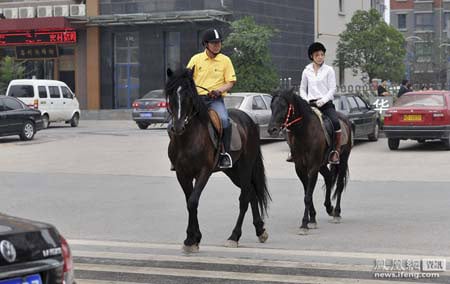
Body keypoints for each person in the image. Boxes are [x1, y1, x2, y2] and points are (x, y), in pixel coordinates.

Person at [186, 28, 237, 168]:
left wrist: (218, 91)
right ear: (206, 44)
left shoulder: (225, 60)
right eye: (214, 43)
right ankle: (177, 154)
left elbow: (231, 82)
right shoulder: (195, 59)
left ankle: (224, 154)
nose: (217, 45)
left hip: (215, 100)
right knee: (176, 122)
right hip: (197, 100)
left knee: (225, 121)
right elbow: (187, 79)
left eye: (219, 42)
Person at [297, 42, 341, 164]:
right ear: (312, 56)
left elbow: (332, 89)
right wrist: (305, 100)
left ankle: (335, 151)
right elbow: (302, 88)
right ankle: (295, 150)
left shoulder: (329, 70)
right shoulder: (306, 71)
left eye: (322, 54)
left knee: (335, 123)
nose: (320, 57)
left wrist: (323, 101)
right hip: (310, 104)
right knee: (295, 123)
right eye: (317, 55)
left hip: (325, 104)